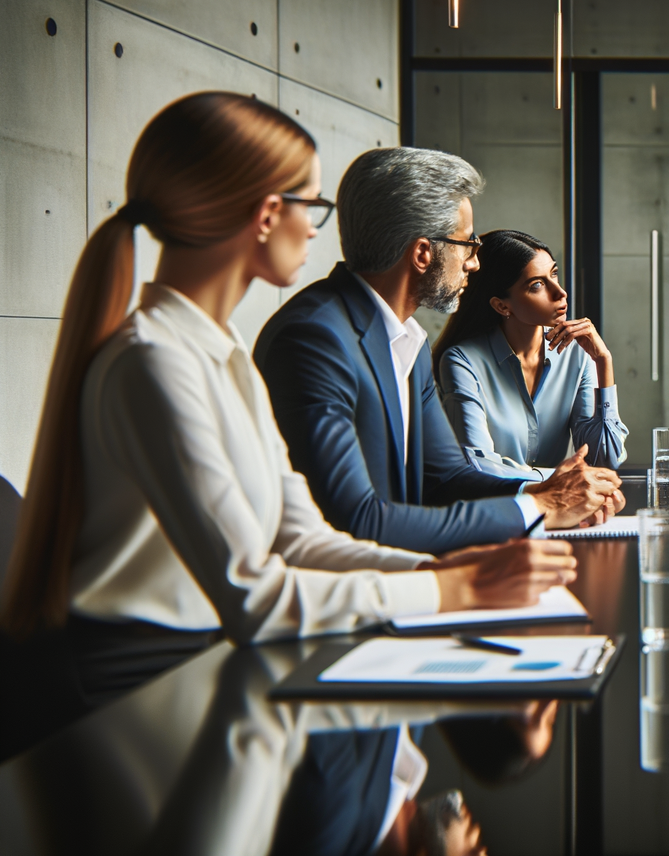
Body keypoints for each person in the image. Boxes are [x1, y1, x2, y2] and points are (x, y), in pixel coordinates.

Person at [0, 93, 578, 716]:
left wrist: (434, 576)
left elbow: (300, 539)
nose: (317, 225)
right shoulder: (155, 361)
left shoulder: (217, 349)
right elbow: (254, 593)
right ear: (268, 214)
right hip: (144, 699)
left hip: (209, 667)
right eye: (312, 204)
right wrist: (451, 587)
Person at [255, 148, 624, 556]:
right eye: (468, 244)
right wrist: (539, 506)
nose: (474, 264)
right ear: (422, 254)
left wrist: (552, 493)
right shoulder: (314, 338)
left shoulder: (407, 339)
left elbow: (445, 478)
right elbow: (355, 520)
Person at [433, 230, 627, 479]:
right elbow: (478, 466)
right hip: (496, 512)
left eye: (554, 274)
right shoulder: (462, 362)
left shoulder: (576, 355)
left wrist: (603, 360)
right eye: (537, 285)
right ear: (502, 305)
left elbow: (604, 460)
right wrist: (559, 480)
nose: (560, 293)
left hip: (560, 512)